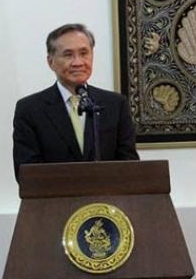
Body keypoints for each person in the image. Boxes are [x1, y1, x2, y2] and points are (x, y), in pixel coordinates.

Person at [12, 23, 139, 180]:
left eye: (84, 53)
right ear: (50, 61)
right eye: (68, 55)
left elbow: (129, 166)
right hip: (55, 202)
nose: (78, 62)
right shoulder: (30, 109)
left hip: (105, 201)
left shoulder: (115, 105)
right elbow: (26, 174)